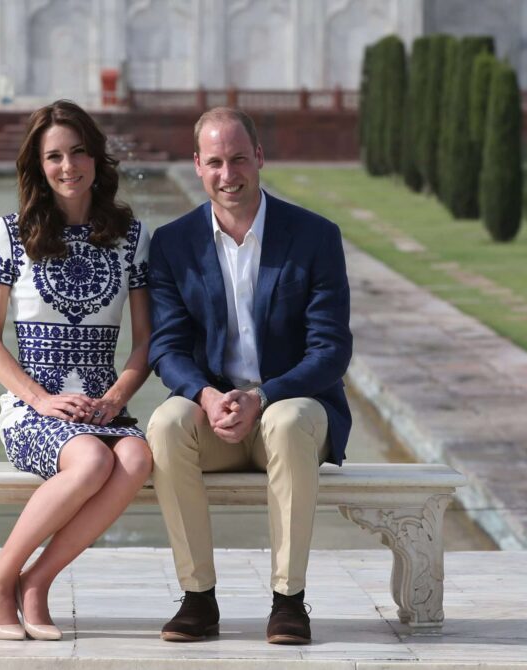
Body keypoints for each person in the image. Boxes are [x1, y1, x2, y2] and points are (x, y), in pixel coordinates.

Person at [146, 107, 352, 645]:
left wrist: (263, 397)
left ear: (259, 157)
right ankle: (198, 599)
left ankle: (288, 602)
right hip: (216, 417)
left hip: (293, 410)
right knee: (166, 423)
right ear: (196, 165)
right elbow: (165, 349)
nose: (227, 174)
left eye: (238, 158)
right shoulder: (173, 244)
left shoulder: (314, 236)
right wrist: (207, 396)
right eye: (214, 161)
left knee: (285, 421)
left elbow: (331, 350)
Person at [0, 99, 153, 641]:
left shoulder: (131, 237)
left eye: (78, 152)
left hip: (104, 405)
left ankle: (37, 583)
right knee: (93, 459)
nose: (68, 166)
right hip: (35, 409)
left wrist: (119, 396)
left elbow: (147, 341)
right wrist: (41, 399)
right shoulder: (10, 233)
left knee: (138, 455)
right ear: (39, 165)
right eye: (54, 156)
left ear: (97, 158)